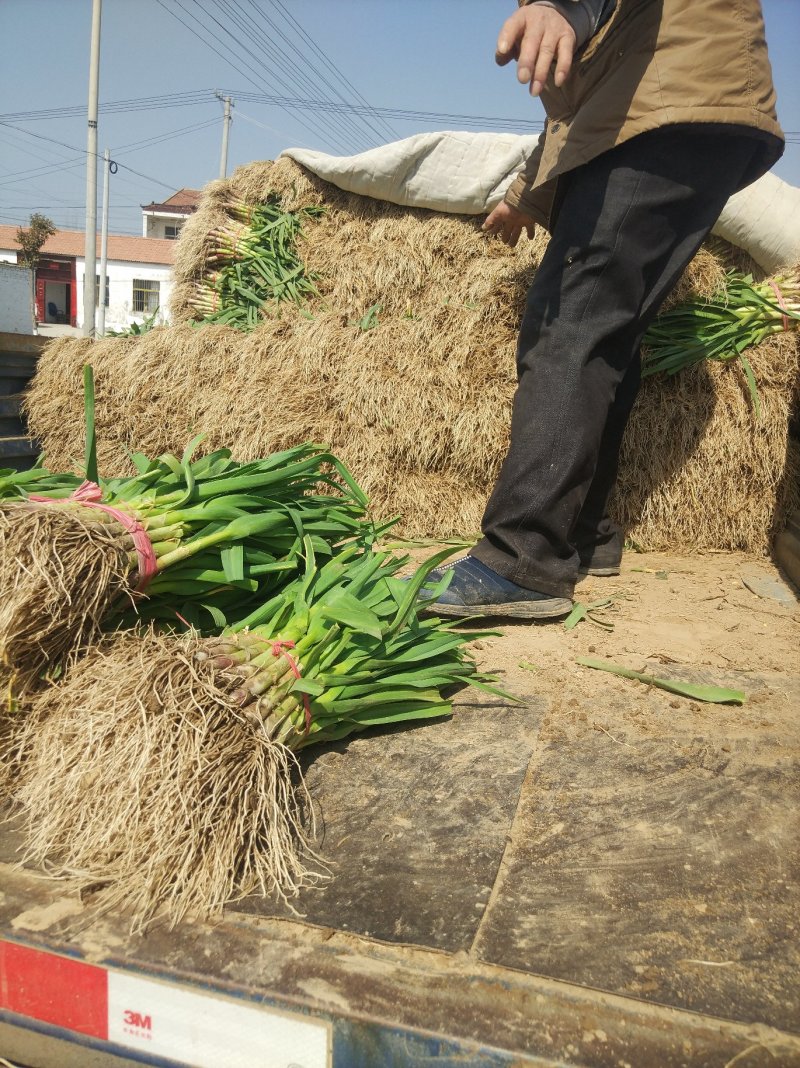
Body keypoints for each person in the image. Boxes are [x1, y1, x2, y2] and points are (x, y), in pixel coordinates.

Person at [424, 0, 784, 620]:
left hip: (669, 110)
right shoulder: (625, 53)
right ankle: (585, 534)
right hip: (697, 110)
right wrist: (523, 197)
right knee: (609, 334)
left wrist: (563, 5)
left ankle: (522, 556)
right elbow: (579, 113)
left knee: (568, 322)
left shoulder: (618, 33)